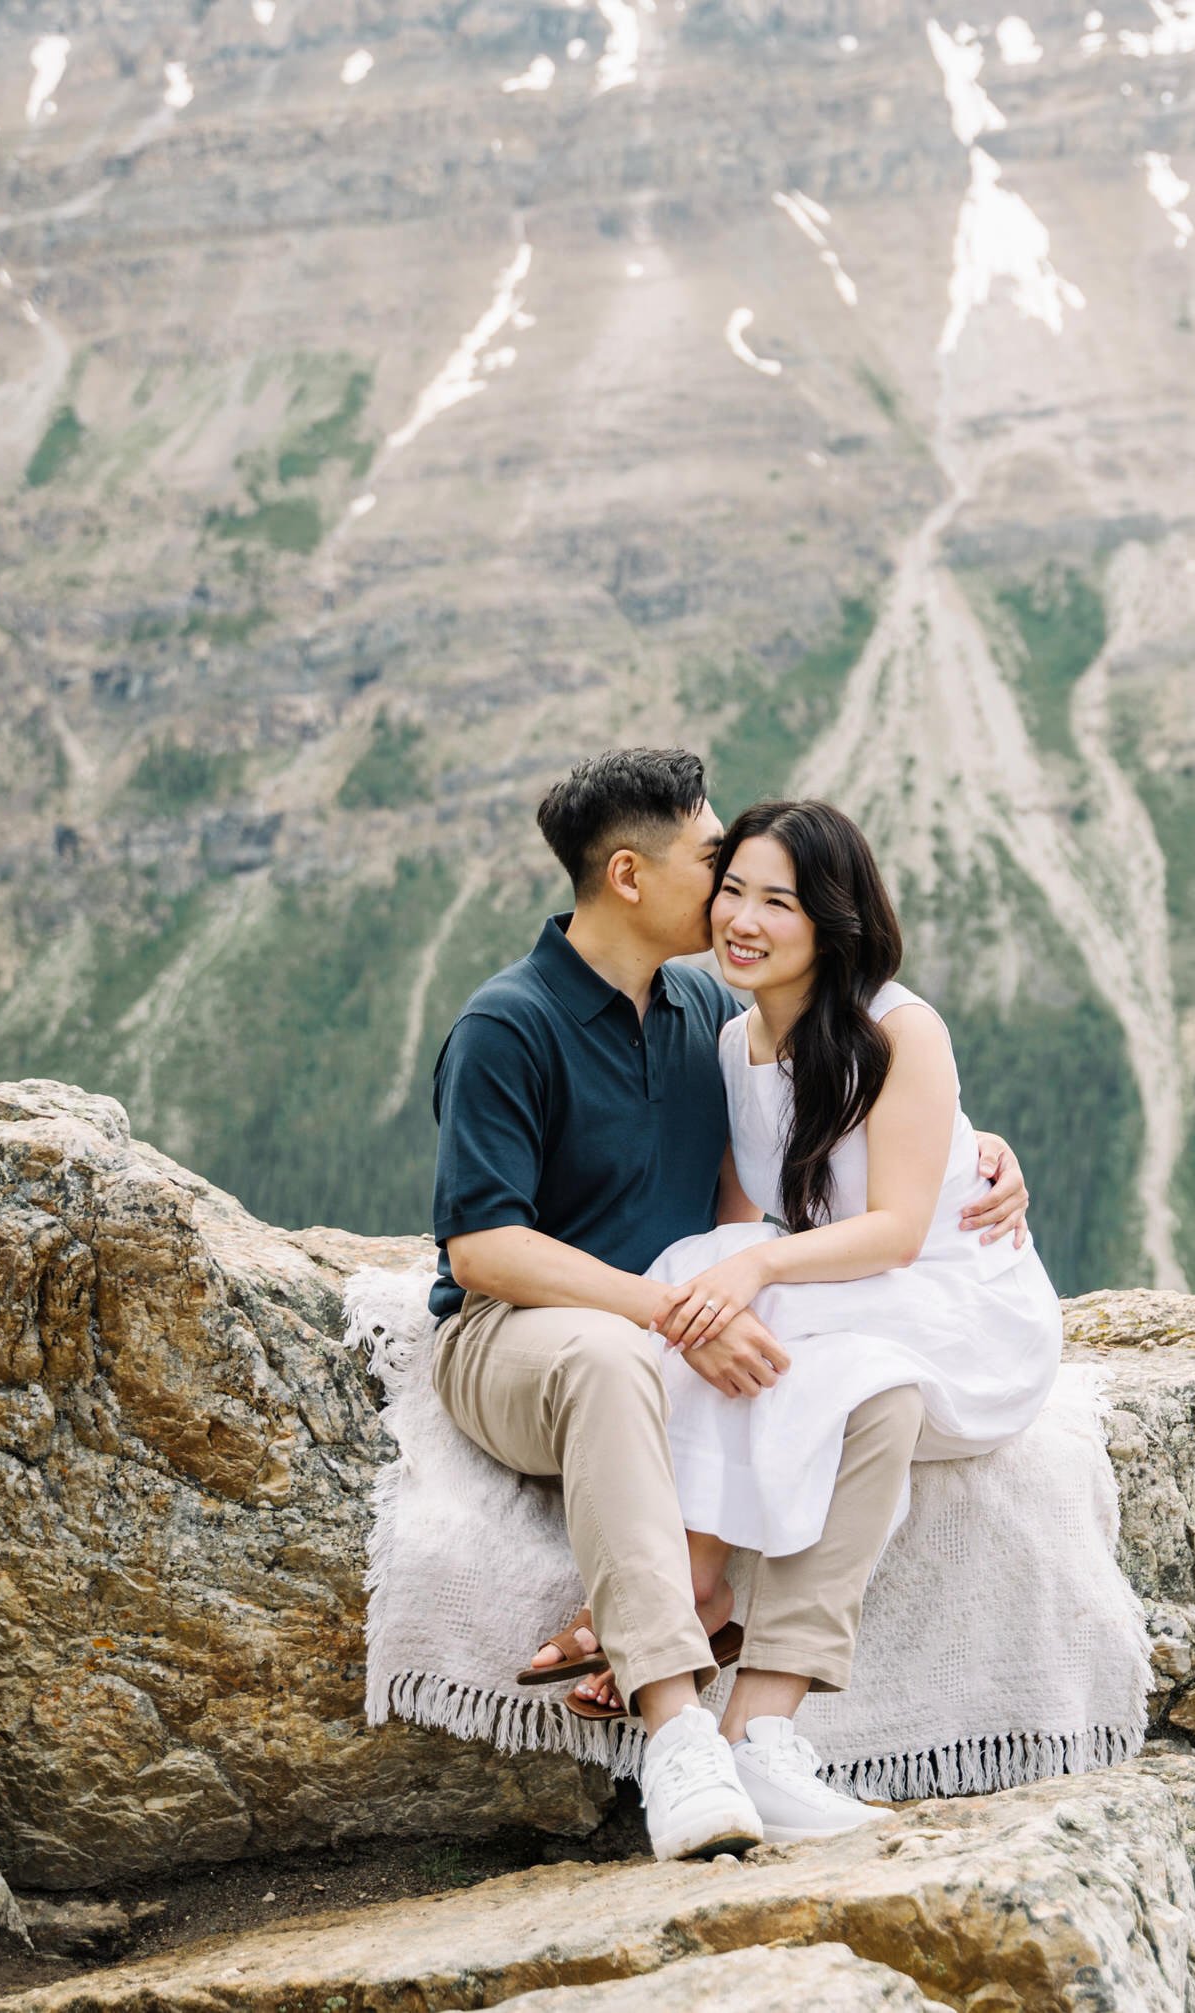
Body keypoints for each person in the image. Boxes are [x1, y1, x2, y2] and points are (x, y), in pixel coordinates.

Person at [426, 748, 1030, 1862]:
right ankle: (674, 1730)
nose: (732, 900)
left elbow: (834, 1116)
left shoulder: (708, 1005)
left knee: (878, 1393)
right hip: (519, 1335)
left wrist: (975, 1154)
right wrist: (668, 1314)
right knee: (609, 1366)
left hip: (683, 1313)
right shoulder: (506, 1025)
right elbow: (482, 1249)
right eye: (715, 866)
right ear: (627, 876)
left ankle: (764, 1734)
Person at [564, 800, 1061, 1738]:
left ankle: (698, 1585)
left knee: (742, 1278)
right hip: (853, 1285)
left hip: (956, 1301)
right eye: (733, 892)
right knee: (709, 1279)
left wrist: (755, 1272)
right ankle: (700, 1592)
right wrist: (724, 1289)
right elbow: (743, 1212)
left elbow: (898, 1231)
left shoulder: (899, 1028)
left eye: (779, 903)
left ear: (833, 921)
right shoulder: (728, 1039)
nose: (743, 921)